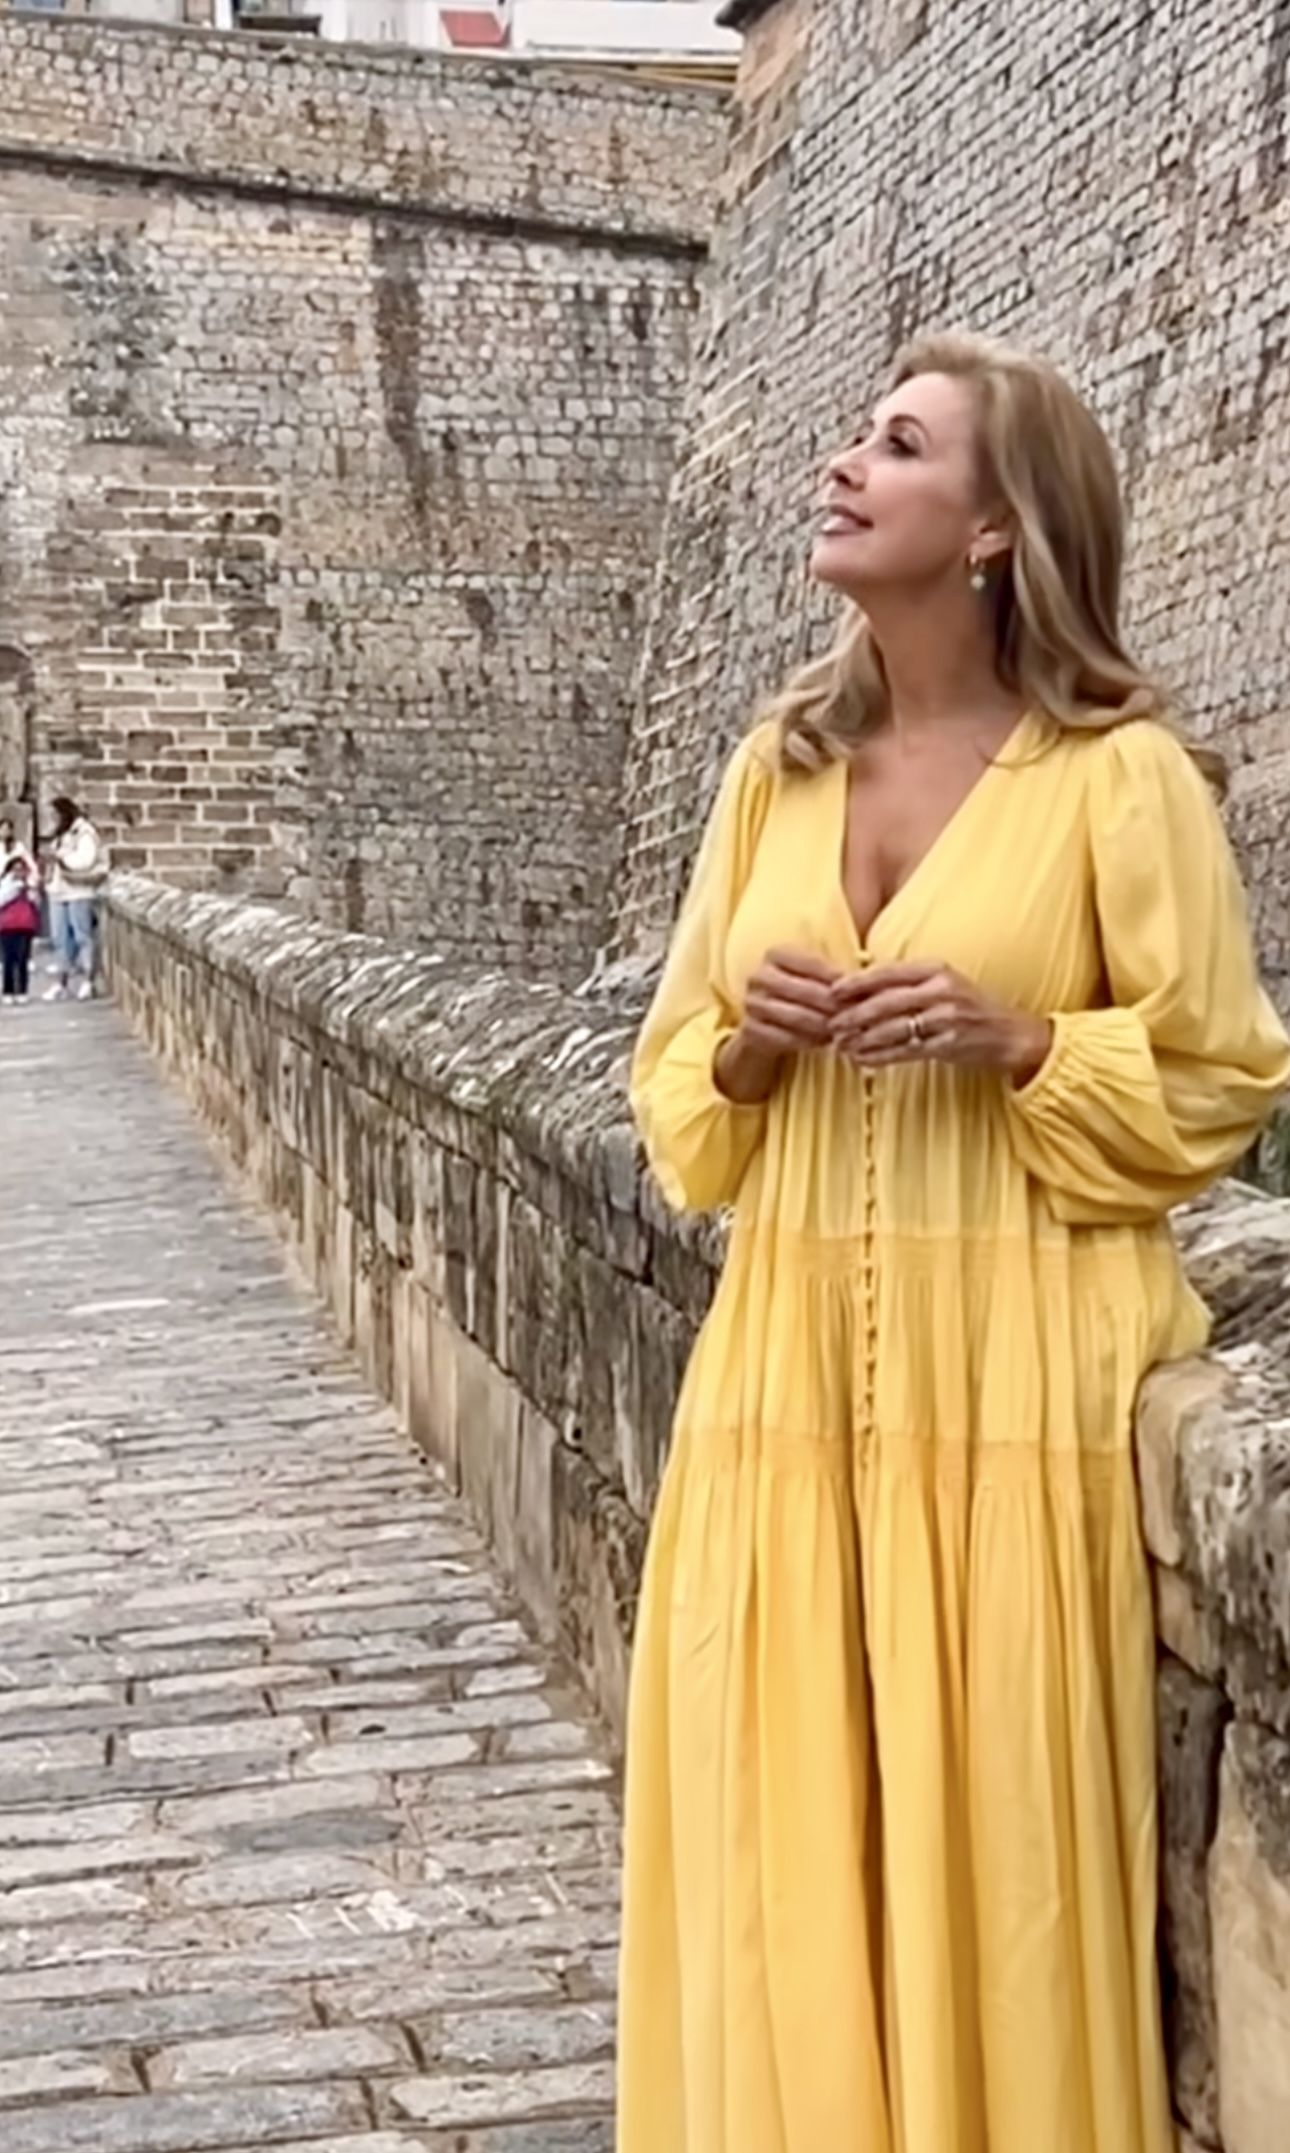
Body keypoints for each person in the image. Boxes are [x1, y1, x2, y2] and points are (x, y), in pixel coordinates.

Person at [617, 333, 1290, 2153]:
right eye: (855, 433)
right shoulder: (775, 770)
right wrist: (750, 1049)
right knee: (776, 1881)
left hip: (1014, 1403)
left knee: (1001, 1899)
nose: (844, 464)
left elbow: (1220, 1076)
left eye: (899, 445)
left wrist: (1021, 1042)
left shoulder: (1116, 776)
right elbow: (676, 1091)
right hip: (775, 1404)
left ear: (996, 526)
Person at [43, 795, 109, 1003]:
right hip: (59, 890)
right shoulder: (60, 834)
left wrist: (61, 858)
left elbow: (85, 860)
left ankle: (88, 981)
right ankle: (61, 982)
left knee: (82, 936)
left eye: (55, 814)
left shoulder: (84, 832)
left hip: (79, 890)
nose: (52, 819)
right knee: (60, 939)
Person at [0, 846, 40, 1004]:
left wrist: (31, 890)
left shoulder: (29, 886)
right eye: (15, 869)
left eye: (21, 869)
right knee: (8, 960)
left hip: (25, 925)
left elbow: (36, 903)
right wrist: (14, 888)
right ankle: (8, 990)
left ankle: (22, 990)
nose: (18, 873)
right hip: (7, 926)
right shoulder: (5, 885)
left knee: (23, 959)